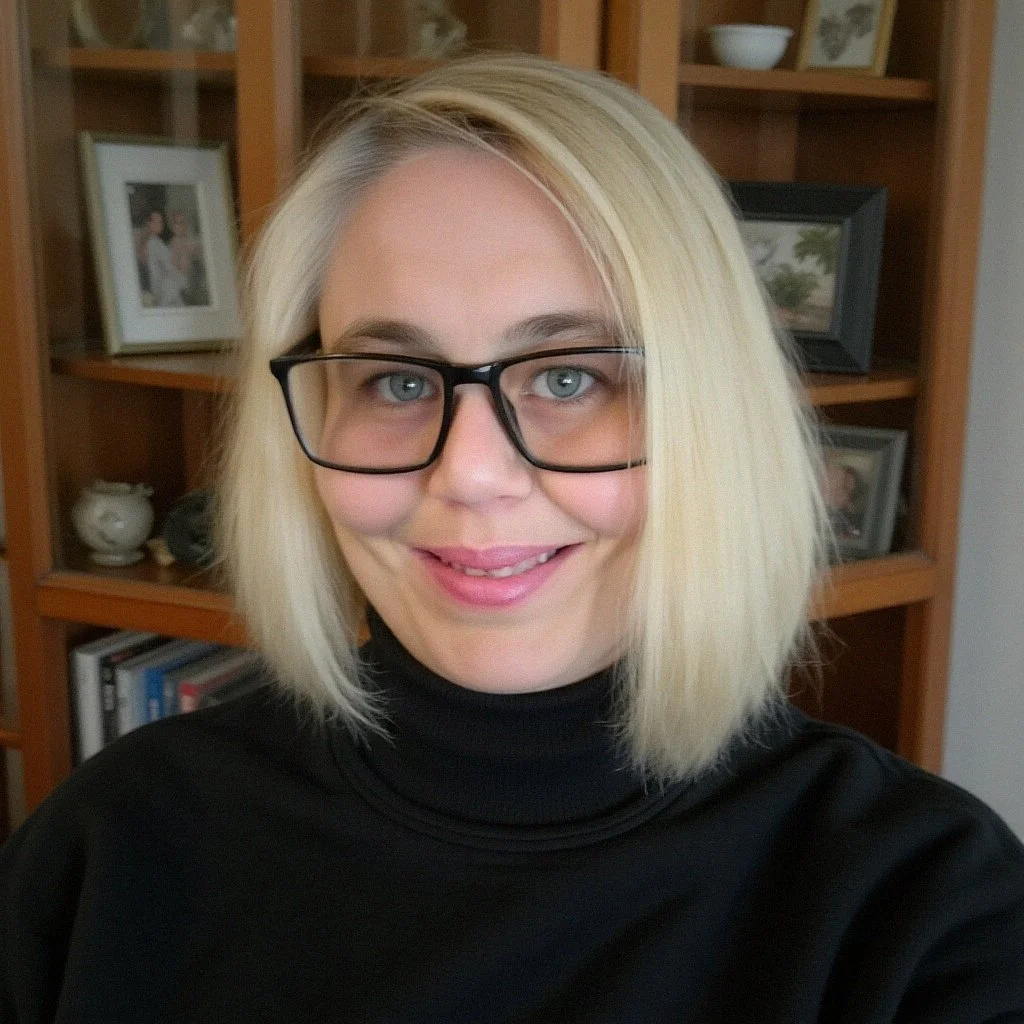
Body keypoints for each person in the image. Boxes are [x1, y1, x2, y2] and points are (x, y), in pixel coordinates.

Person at [2, 53, 1023, 1022]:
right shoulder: (114, 846)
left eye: (571, 376)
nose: (471, 476)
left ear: (714, 412)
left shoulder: (919, 906)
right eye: (397, 381)